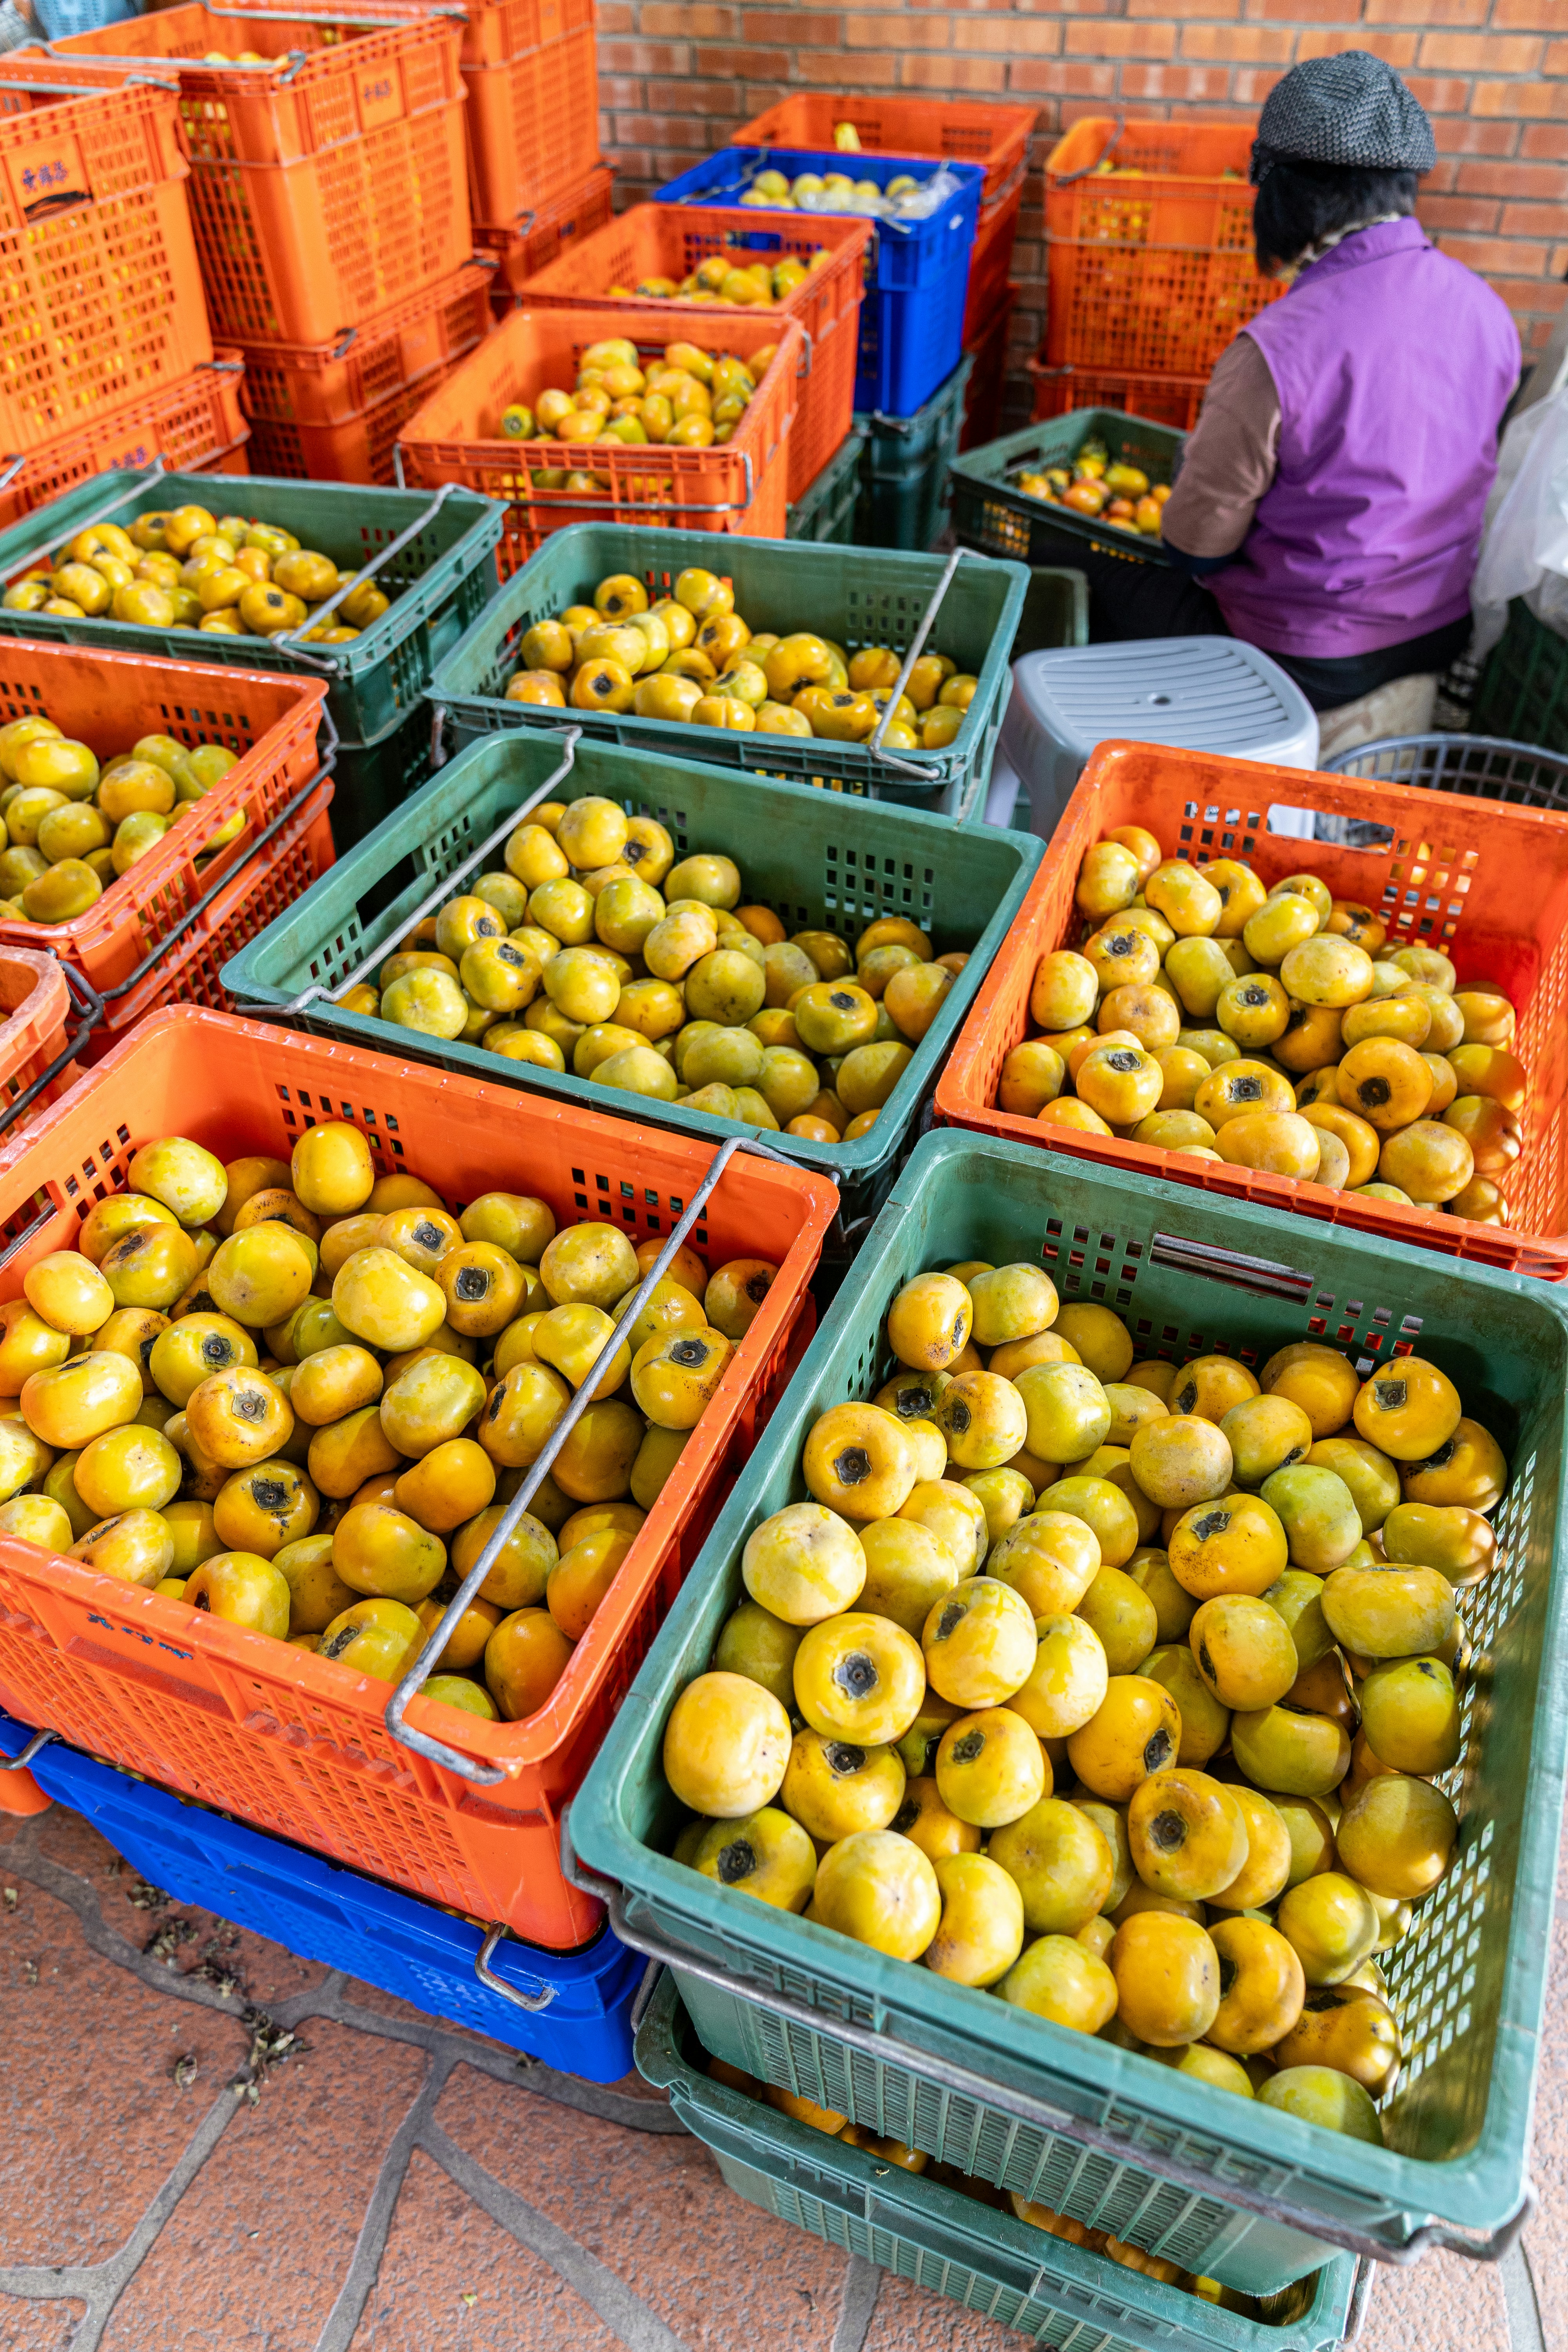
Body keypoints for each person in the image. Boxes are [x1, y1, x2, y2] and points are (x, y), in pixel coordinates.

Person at [1155, 52, 1521, 756]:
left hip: (1310, 652)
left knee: (1079, 566)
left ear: (1285, 194)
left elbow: (1195, 546)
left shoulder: (1278, 346)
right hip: (1441, 624)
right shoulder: (1487, 310)